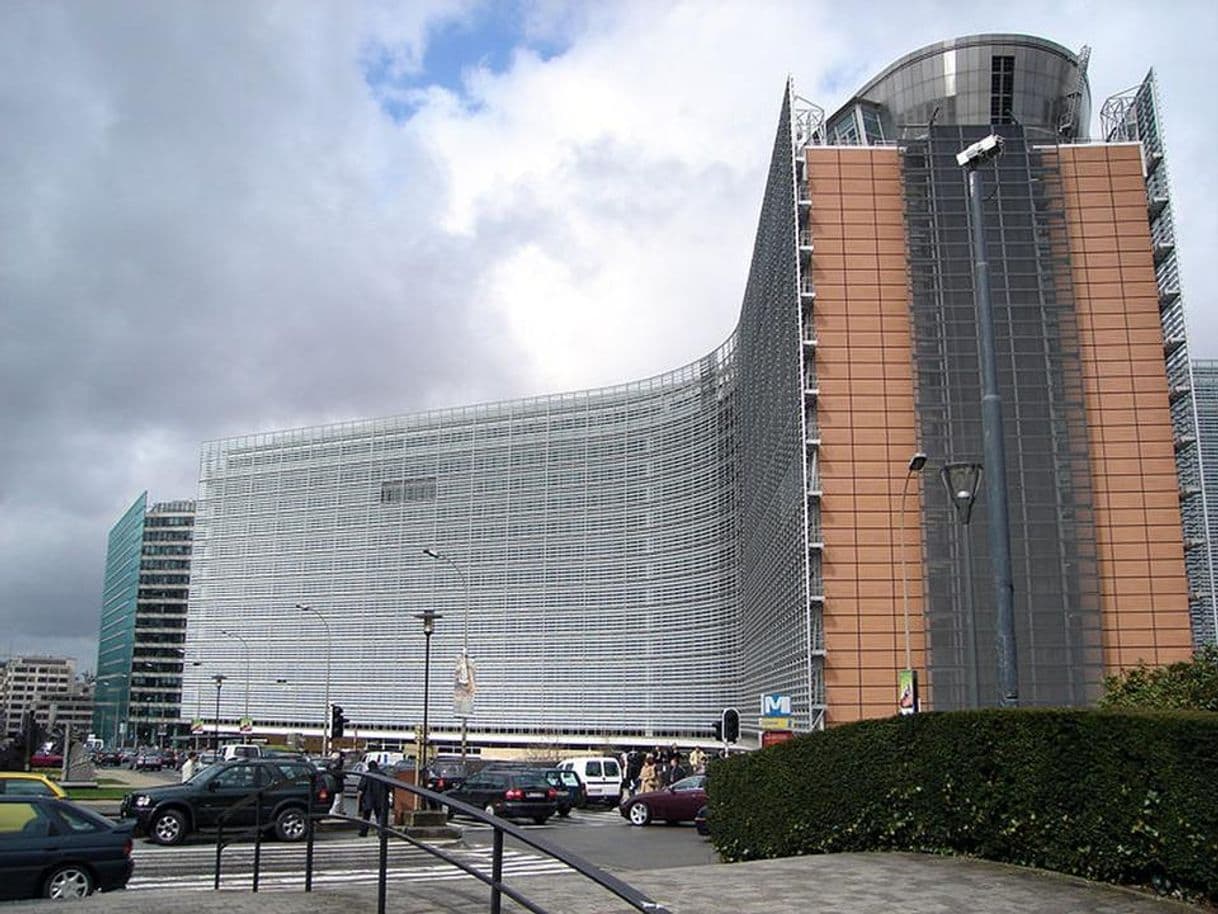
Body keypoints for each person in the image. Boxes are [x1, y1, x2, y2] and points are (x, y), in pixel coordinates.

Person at [357, 759, 391, 836]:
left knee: (366, 816)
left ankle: (364, 831)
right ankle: (381, 832)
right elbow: (389, 787)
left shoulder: (367, 775)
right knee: (380, 816)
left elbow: (361, 786)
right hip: (381, 798)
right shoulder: (383, 775)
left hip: (369, 798)